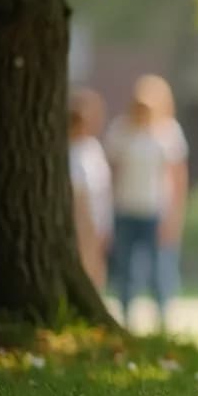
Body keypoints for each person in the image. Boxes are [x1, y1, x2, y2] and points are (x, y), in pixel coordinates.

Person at [104, 75, 188, 331]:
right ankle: (126, 314)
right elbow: (112, 171)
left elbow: (177, 177)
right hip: (126, 207)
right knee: (125, 265)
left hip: (156, 209)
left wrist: (174, 215)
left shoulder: (169, 132)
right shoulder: (121, 130)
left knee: (160, 266)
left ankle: (162, 316)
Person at [69, 88, 112, 290]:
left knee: (96, 265)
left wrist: (105, 223)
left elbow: (103, 189)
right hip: (79, 218)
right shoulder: (69, 152)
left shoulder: (93, 148)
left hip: (97, 217)